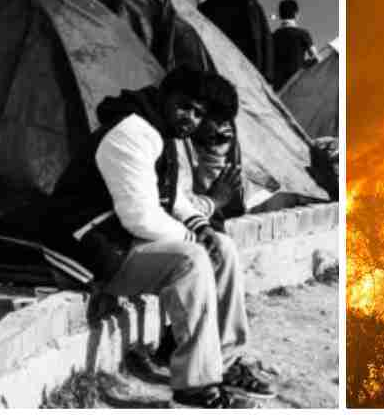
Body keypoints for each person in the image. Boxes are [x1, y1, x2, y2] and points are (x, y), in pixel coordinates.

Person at [44, 68, 275, 408]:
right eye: (184, 107)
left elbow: (173, 197)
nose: (190, 119)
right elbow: (140, 216)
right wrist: (194, 241)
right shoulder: (130, 133)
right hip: (87, 249)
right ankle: (196, 388)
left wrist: (203, 228)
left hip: (118, 240)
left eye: (198, 114)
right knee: (191, 260)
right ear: (165, 96)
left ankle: (222, 362)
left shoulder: (158, 132)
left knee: (221, 247)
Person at [197, 0, 274, 82]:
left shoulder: (251, 5)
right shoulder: (210, 7)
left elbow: (266, 39)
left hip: (248, 70)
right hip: (220, 66)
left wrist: (267, 75)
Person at [271, 0, 318, 90]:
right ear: (296, 14)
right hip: (297, 83)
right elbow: (316, 58)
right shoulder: (303, 34)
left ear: (280, 15)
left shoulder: (273, 36)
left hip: (278, 86)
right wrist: (303, 64)